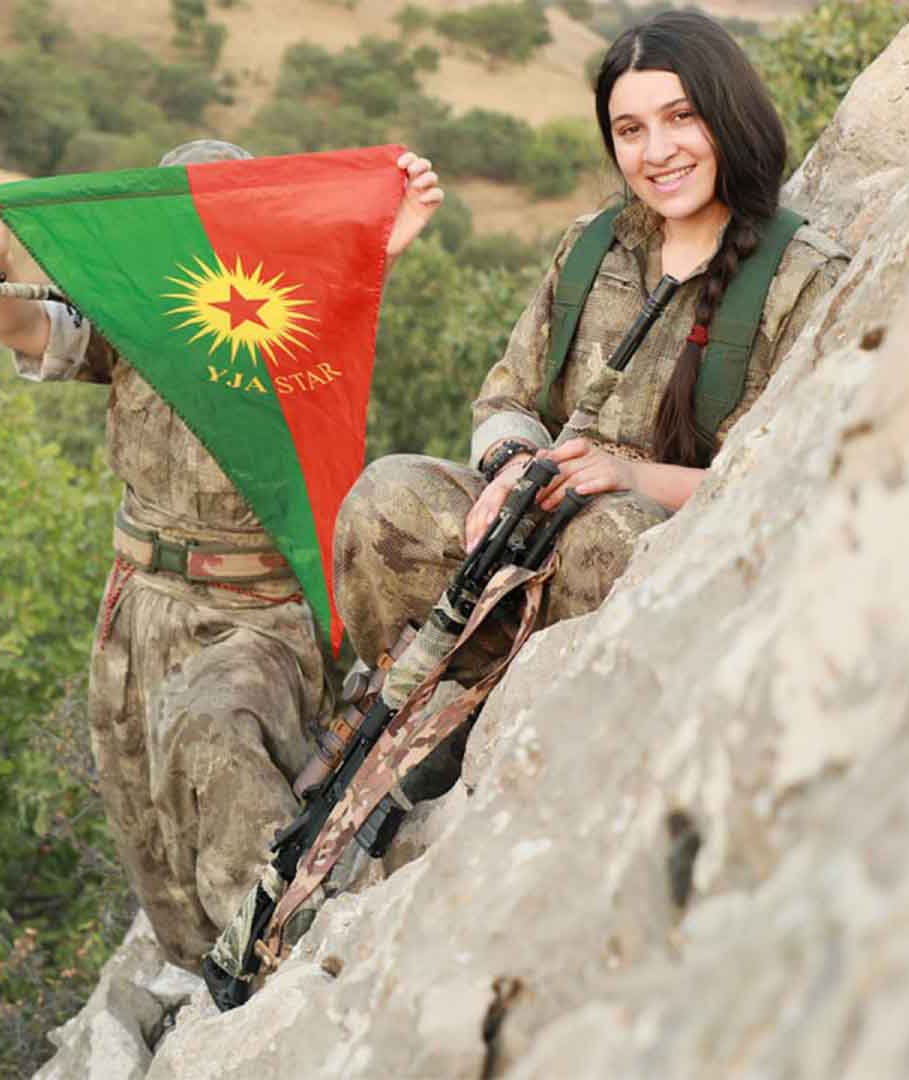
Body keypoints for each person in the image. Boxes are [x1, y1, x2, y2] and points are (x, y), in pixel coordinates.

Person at [0, 140, 442, 969]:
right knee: (155, 837)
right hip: (142, 610)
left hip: (260, 613)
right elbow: (29, 332)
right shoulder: (137, 313)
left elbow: (341, 301)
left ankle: (289, 964)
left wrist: (382, 238)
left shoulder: (292, 311)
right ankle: (214, 981)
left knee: (224, 749)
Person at [332, 11, 848, 722]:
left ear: (730, 116)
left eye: (681, 117)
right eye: (630, 130)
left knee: (611, 536)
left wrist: (633, 478)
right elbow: (506, 398)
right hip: (533, 544)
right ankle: (429, 706)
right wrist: (513, 466)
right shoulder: (592, 246)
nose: (657, 151)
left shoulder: (802, 277)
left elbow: (796, 479)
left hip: (670, 576)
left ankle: (546, 729)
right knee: (385, 496)